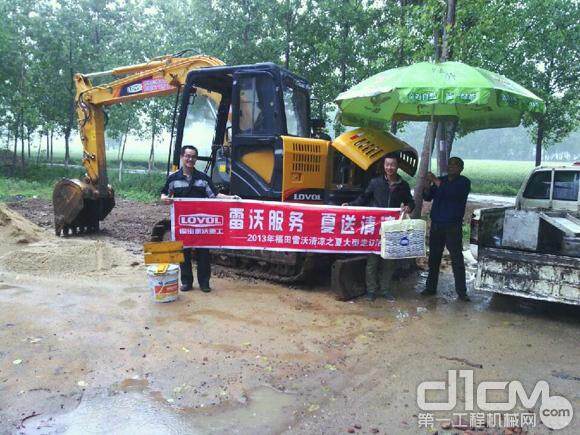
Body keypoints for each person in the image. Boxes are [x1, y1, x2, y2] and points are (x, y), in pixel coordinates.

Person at [161, 145, 238, 292]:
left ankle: (204, 283)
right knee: (183, 253)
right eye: (187, 156)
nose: (190, 159)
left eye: (193, 156)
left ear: (196, 159)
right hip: (183, 224)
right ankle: (186, 282)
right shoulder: (173, 179)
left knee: (203, 253)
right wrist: (165, 198)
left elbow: (214, 195)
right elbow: (165, 194)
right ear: (183, 157)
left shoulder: (203, 179)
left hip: (201, 223)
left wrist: (231, 198)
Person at [343, 154, 414, 301]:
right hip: (375, 228)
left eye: (393, 165)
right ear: (384, 166)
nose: (390, 168)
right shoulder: (375, 183)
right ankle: (371, 290)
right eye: (387, 164)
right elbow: (364, 198)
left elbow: (410, 202)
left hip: (393, 228)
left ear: (397, 166)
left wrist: (408, 207)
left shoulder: (403, 185)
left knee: (389, 262)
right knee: (372, 262)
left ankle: (385, 290)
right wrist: (350, 205)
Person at [421, 156, 471, 301]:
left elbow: (452, 194)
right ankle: (430, 288)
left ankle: (462, 292)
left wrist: (436, 181)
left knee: (457, 259)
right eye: (450, 164)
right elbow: (427, 198)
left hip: (453, 226)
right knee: (434, 258)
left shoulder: (464, 182)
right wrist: (427, 185)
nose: (451, 167)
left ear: (461, 169)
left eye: (455, 165)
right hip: (437, 224)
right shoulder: (440, 180)